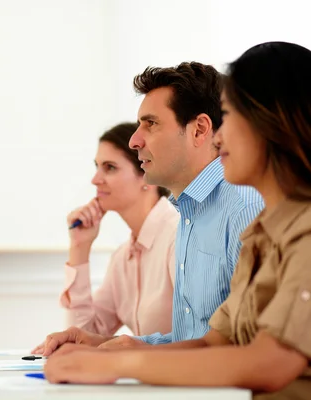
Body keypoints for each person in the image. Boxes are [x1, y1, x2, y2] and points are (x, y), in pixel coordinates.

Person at [43, 40, 311, 399]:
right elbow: (213, 341)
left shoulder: (273, 219)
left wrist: (116, 364)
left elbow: (269, 362)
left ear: (271, 122)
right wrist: (115, 349)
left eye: (228, 116)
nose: (220, 134)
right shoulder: (263, 230)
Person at [35, 61, 264, 356]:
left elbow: (253, 349)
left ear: (199, 130)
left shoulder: (244, 208)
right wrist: (124, 345)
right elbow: (197, 340)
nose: (135, 140)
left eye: (151, 123)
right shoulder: (190, 214)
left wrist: (133, 354)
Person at [31, 123, 178, 355]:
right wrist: (79, 247)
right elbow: (81, 335)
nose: (95, 179)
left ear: (147, 176)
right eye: (97, 167)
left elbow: (199, 337)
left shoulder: (177, 236)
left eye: (109, 168)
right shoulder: (123, 257)